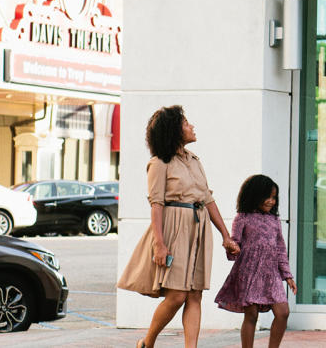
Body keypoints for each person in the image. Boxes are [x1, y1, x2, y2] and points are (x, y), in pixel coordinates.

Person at [117, 105, 240, 348]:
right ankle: (148, 342)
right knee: (176, 295)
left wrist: (226, 236)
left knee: (195, 295)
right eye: (185, 123)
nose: (191, 126)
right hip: (175, 230)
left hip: (199, 228)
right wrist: (159, 245)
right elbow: (156, 204)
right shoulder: (159, 163)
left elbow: (208, 198)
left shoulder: (194, 161)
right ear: (174, 130)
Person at [214, 174, 297, 348]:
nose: (271, 201)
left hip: (271, 273)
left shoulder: (274, 220)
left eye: (274, 197)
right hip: (249, 271)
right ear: (255, 195)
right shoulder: (242, 217)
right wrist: (231, 247)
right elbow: (235, 242)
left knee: (283, 312)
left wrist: (287, 275)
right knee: (251, 315)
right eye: (268, 197)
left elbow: (280, 249)